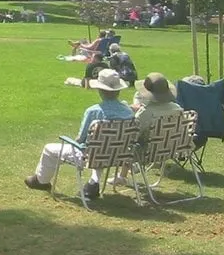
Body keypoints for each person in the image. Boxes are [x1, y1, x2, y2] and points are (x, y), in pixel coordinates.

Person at [24, 68, 132, 200]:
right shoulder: (128, 112)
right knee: (99, 147)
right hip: (119, 155)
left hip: (91, 156)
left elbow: (81, 139)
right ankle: (93, 183)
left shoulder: (93, 111)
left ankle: (41, 181)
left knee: (49, 149)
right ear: (118, 90)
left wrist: (74, 142)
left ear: (100, 90)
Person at [111, 73, 183, 185]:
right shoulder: (177, 109)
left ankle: (122, 176)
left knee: (127, 143)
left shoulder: (146, 112)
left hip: (148, 152)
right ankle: (126, 173)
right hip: (172, 149)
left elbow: (133, 134)